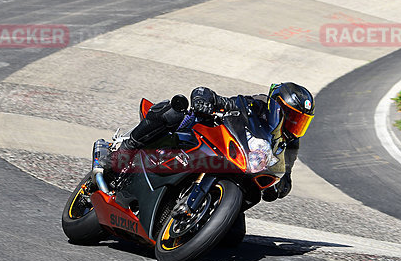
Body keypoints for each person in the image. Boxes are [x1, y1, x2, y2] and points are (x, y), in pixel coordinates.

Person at [116, 82, 315, 202]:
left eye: (300, 122)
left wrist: (279, 186)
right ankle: (127, 147)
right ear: (276, 106)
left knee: (234, 239)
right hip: (212, 142)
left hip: (240, 171)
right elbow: (215, 97)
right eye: (292, 118)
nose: (294, 126)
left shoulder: (289, 144)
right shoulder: (255, 105)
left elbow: (285, 173)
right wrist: (204, 100)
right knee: (176, 112)